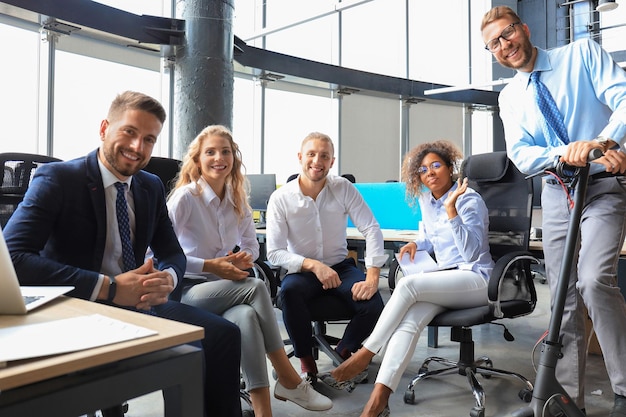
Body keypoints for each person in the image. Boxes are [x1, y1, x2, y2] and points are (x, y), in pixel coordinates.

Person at [3, 91, 242, 417]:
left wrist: (168, 279)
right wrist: (111, 288)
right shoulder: (59, 179)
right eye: (129, 132)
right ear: (104, 129)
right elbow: (14, 258)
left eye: (149, 139)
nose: (137, 147)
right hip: (77, 307)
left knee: (224, 336)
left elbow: (172, 252)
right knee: (188, 353)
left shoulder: (150, 186)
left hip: (139, 304)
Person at [481, 6, 626, 416]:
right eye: (494, 43)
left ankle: (625, 386)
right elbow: (524, 155)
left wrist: (602, 142)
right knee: (562, 300)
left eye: (508, 33)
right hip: (557, 189)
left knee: (595, 280)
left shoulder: (581, 55)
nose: (504, 45)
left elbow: (625, 100)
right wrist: (565, 151)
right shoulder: (509, 97)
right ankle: (565, 402)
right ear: (492, 52)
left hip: (600, 186)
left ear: (524, 30)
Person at [166, 124, 332, 415]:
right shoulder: (185, 198)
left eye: (226, 151)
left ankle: (263, 411)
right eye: (210, 152)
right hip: (188, 291)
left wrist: (241, 259)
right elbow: (159, 255)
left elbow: (253, 248)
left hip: (228, 290)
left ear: (234, 158)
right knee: (255, 287)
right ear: (198, 160)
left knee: (245, 316)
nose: (219, 158)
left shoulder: (236, 199)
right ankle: (288, 376)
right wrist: (210, 265)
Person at [320, 140, 494, 417]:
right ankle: (378, 403)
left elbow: (472, 252)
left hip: (477, 279)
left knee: (408, 285)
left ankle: (364, 354)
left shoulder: (469, 200)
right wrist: (418, 245)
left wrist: (452, 211)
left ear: (450, 169)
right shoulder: (427, 200)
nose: (431, 173)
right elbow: (430, 238)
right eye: (424, 170)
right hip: (447, 279)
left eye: (436, 165)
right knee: (409, 322)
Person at [265, 131, 386, 382]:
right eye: (311, 154)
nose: (317, 161)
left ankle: (343, 353)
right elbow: (274, 252)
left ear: (332, 161)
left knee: (373, 303)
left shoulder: (343, 188)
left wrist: (373, 276)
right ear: (300, 157)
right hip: (302, 271)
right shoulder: (281, 198)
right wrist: (313, 266)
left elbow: (372, 229)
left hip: (340, 268)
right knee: (288, 293)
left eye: (324, 156)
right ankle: (307, 362)